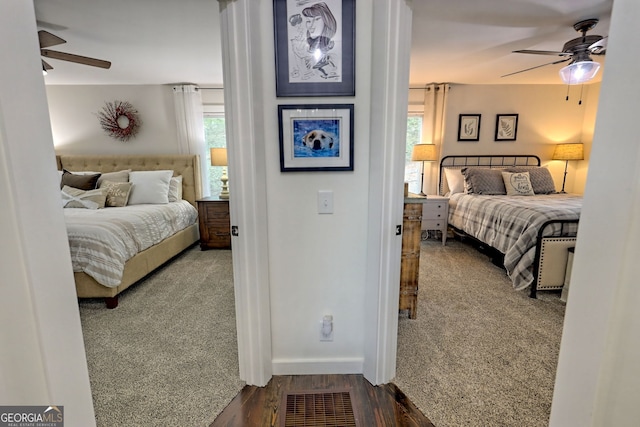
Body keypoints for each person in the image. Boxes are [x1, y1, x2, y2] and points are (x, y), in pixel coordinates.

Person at [301, 2, 338, 79]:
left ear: (327, 21)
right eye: (308, 21)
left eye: (317, 19)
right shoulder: (308, 46)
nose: (311, 26)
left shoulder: (332, 51)